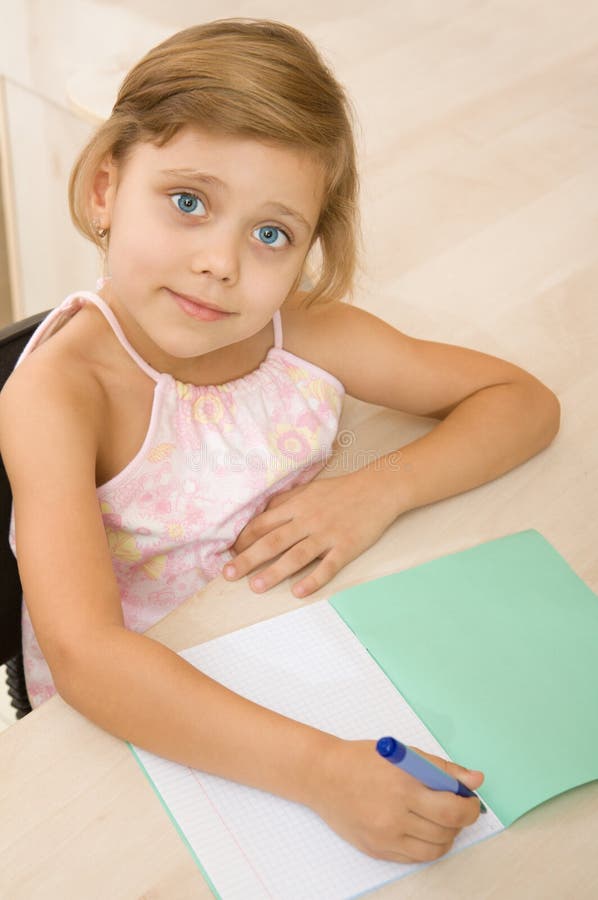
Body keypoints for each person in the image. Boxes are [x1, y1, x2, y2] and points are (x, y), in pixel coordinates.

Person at [0, 18, 559, 864]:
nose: (221, 263)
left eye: (271, 234)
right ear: (107, 187)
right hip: (149, 722)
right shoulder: (59, 396)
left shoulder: (301, 333)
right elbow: (88, 658)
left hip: (308, 646)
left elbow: (521, 400)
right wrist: (323, 774)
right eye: (188, 202)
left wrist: (379, 489)